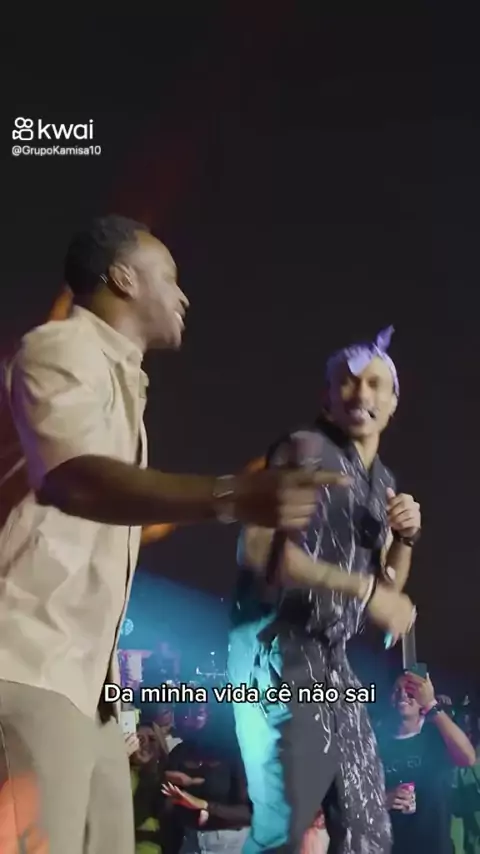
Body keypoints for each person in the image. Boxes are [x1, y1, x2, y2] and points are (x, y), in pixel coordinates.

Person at [0, 215, 347, 854]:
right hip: (28, 665)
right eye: (170, 277)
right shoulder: (62, 348)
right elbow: (72, 479)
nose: (183, 295)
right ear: (123, 278)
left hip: (89, 692)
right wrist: (233, 496)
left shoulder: (122, 381)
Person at [228, 327, 420, 853]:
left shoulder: (383, 483)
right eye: (348, 382)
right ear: (327, 398)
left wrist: (405, 539)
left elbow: (387, 589)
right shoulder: (303, 450)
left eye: (376, 384)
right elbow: (260, 553)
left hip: (331, 656)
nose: (362, 394)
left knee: (366, 823)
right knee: (288, 823)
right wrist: (366, 590)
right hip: (275, 648)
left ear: (393, 402)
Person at [379, 673, 475, 854]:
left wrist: (431, 704)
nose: (403, 695)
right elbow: (359, 796)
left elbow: (468, 758)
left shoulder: (435, 736)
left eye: (410, 691)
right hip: (392, 848)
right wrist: (383, 800)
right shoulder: (375, 742)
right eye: (397, 690)